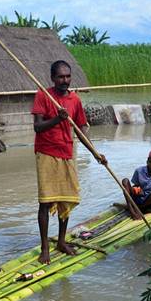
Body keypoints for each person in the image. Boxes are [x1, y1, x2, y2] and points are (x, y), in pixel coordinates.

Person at [32, 60, 106, 264]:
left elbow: (81, 129)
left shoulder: (75, 100)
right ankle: (45, 247)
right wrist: (57, 119)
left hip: (67, 152)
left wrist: (95, 153)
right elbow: (37, 127)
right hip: (46, 153)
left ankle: (61, 241)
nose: (65, 80)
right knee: (45, 202)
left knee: (67, 198)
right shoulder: (43, 96)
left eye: (67, 76)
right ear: (53, 78)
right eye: (60, 77)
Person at [122, 149, 151, 220]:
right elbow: (135, 185)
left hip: (149, 200)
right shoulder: (139, 171)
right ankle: (132, 210)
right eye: (150, 162)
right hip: (138, 196)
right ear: (147, 161)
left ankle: (140, 208)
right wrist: (137, 189)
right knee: (125, 181)